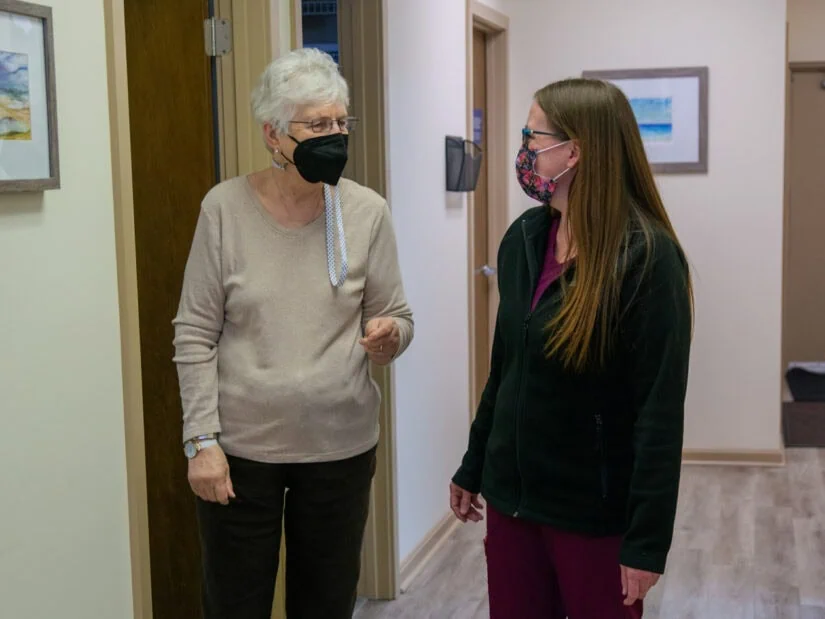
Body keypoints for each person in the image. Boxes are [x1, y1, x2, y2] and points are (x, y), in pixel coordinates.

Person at [173, 48, 413, 619]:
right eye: (316, 125)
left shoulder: (365, 212)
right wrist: (201, 441)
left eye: (339, 123)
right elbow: (194, 334)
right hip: (240, 454)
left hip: (340, 448)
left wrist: (389, 335)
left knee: (325, 604)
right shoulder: (224, 209)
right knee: (235, 603)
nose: (333, 136)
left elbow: (397, 315)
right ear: (273, 134)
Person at [450, 78, 692, 619]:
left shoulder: (648, 259)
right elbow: (506, 368)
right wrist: (473, 465)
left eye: (532, 135)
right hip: (513, 505)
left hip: (594, 516)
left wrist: (647, 544)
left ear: (575, 150)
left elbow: (659, 413)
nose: (524, 149)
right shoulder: (524, 240)